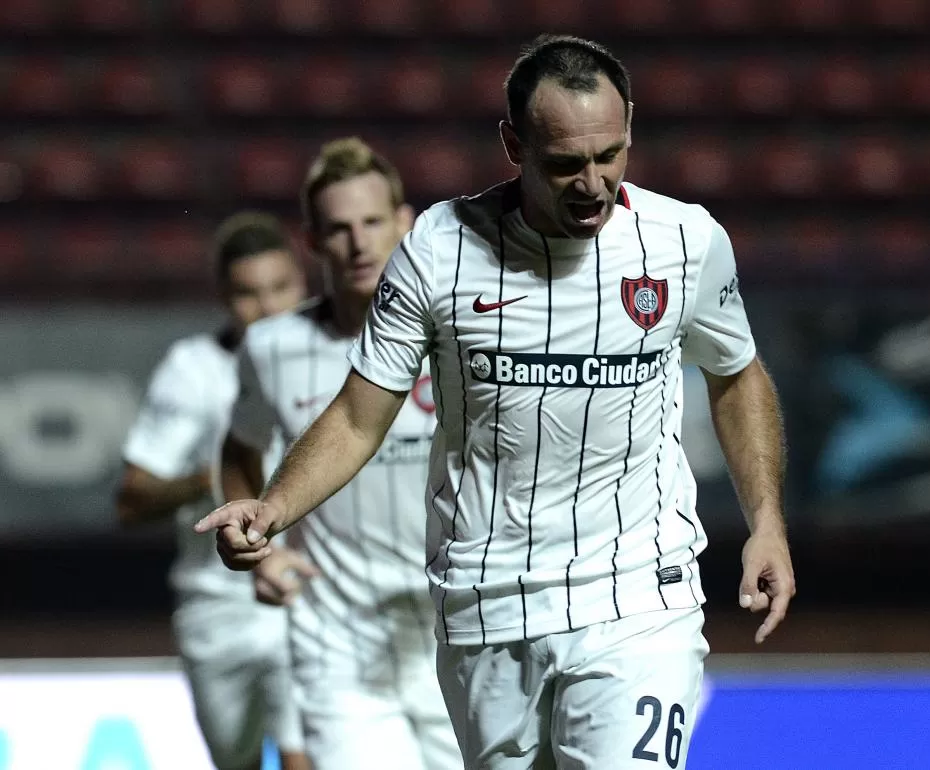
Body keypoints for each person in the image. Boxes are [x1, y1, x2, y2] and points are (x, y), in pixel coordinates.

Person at [198, 35, 797, 769]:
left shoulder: (686, 241)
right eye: (566, 164)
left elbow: (737, 373)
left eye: (610, 155)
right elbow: (360, 414)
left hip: (641, 596)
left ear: (630, 127)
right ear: (513, 144)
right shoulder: (438, 250)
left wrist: (766, 521)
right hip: (488, 601)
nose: (593, 184)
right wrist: (274, 507)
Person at [217, 137, 462, 770]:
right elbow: (238, 451)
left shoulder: (464, 334)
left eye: (373, 222)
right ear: (312, 241)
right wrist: (262, 549)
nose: (358, 243)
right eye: (339, 228)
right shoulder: (271, 347)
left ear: (405, 223)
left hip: (455, 626)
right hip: (338, 638)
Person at [116, 212, 310, 770]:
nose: (269, 307)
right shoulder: (193, 371)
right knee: (236, 760)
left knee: (307, 754)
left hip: (306, 593)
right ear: (224, 296)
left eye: (281, 288)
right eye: (249, 293)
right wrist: (212, 478)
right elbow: (130, 501)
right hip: (217, 606)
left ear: (303, 283)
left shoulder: (338, 361)